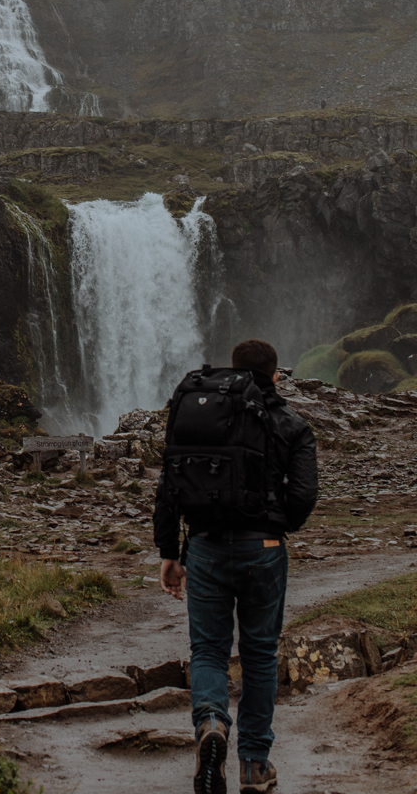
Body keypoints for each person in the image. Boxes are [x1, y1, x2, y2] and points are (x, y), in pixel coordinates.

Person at [153, 339, 318, 794]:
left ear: (235, 370)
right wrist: (275, 522)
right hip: (263, 548)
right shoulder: (290, 423)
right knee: (260, 655)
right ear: (276, 375)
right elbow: (303, 496)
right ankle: (254, 765)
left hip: (203, 547)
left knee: (208, 650)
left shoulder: (200, 415)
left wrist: (169, 552)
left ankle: (210, 724)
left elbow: (169, 484)